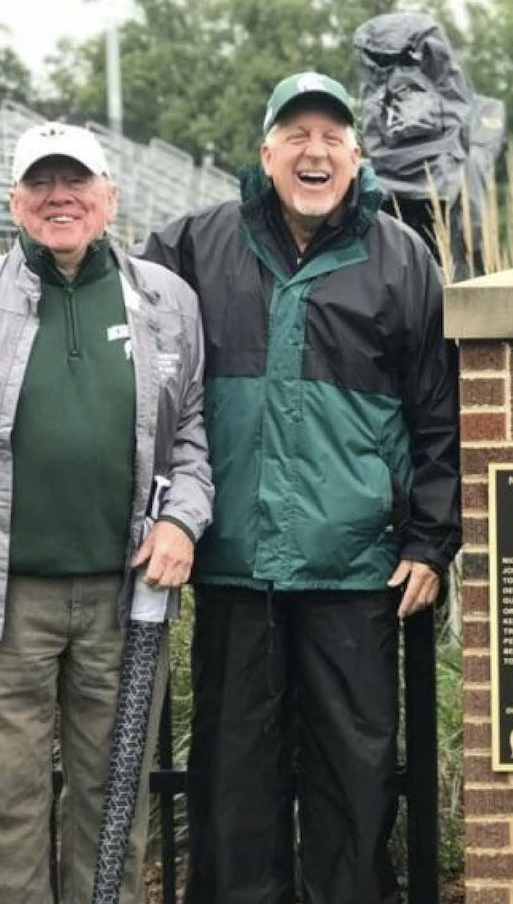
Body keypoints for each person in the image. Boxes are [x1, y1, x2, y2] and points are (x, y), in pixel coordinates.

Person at [141, 72, 461, 904]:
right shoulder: (188, 248)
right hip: (233, 568)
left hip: (356, 572)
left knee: (353, 784)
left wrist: (431, 539)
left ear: (356, 155)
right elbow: (137, 375)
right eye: (296, 136)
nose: (313, 152)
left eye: (331, 138)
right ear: (265, 152)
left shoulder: (402, 258)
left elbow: (437, 414)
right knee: (232, 787)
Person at [0, 122, 212, 904]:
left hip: (127, 599)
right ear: (18, 203)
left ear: (109, 197)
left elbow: (192, 438)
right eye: (43, 185)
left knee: (113, 800)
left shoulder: (166, 301)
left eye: (77, 182)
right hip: (13, 601)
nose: (61, 198)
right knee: (8, 802)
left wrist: (181, 520)